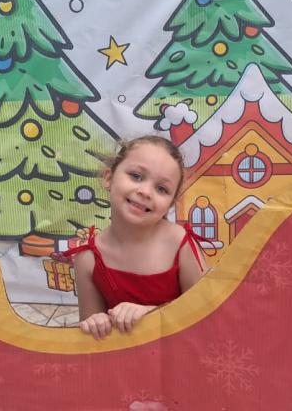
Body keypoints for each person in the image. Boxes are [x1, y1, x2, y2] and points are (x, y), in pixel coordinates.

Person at [62, 135, 208, 339]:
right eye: (136, 176)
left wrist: (150, 313)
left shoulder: (181, 245)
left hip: (178, 353)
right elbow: (92, 341)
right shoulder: (88, 257)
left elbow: (207, 318)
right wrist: (96, 323)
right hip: (124, 357)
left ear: (170, 204)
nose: (146, 192)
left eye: (161, 189)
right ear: (109, 178)